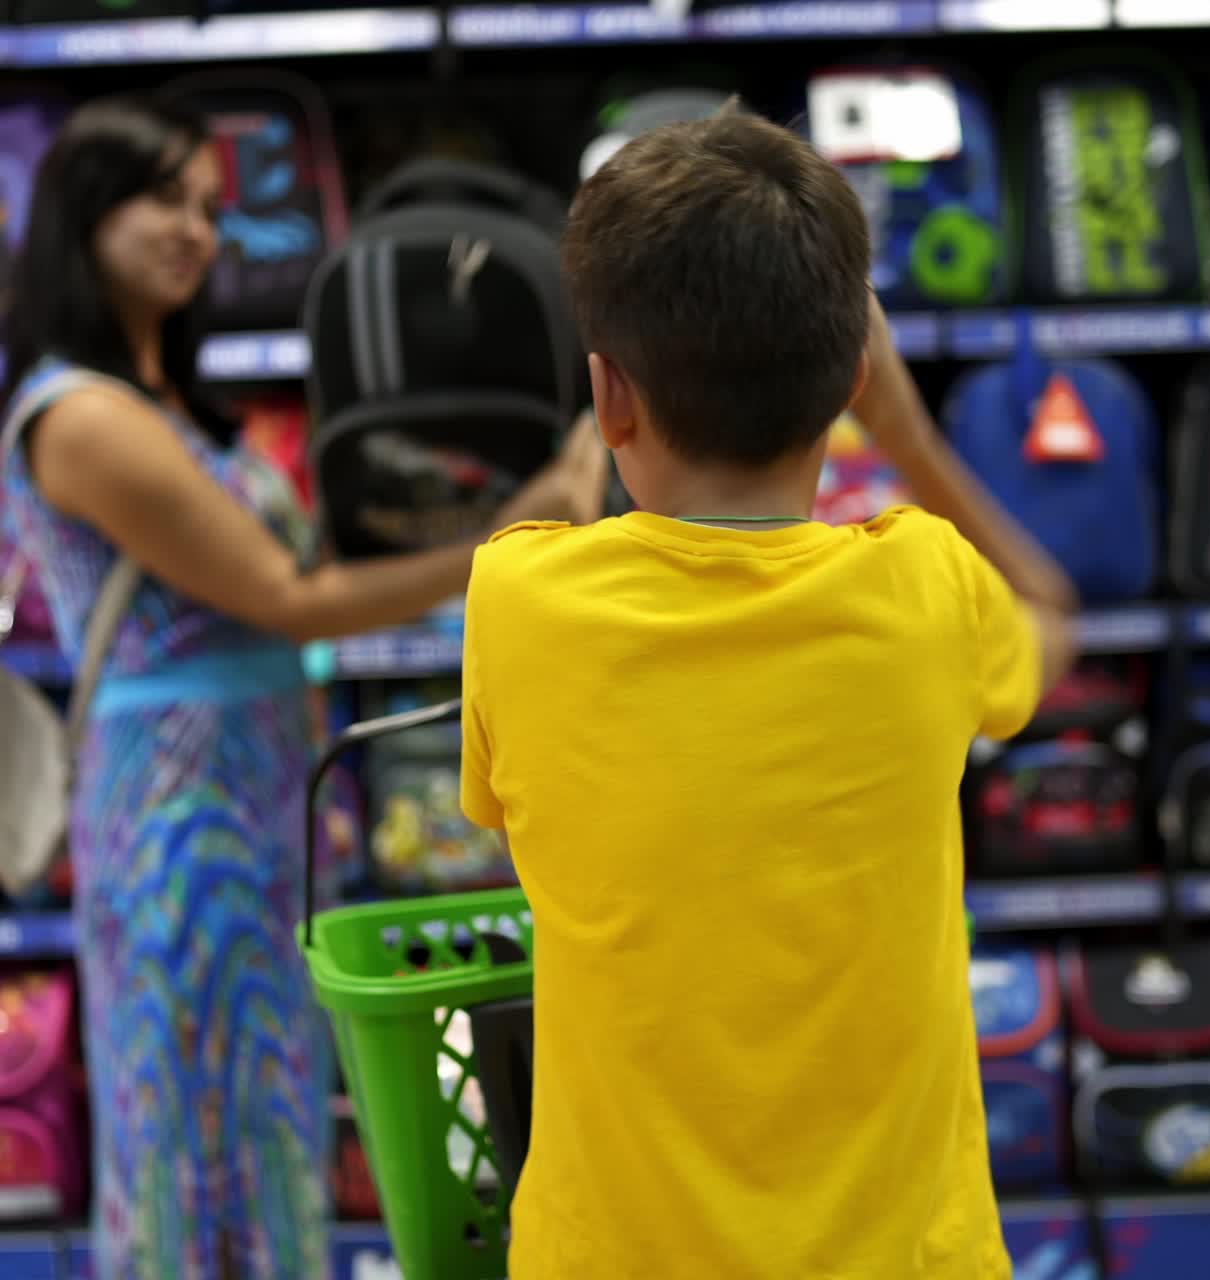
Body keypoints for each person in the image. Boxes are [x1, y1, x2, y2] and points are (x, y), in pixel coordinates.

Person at [459, 106, 1079, 1279]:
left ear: (610, 395)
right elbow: (1052, 611)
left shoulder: (519, 595)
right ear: (848, 374)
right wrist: (896, 424)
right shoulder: (924, 585)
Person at [0, 97, 605, 1280]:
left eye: (211, 208)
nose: (196, 229)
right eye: (163, 198)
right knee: (185, 1112)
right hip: (175, 812)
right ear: (83, 216)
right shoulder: (79, 417)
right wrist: (519, 521)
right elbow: (294, 598)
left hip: (252, 796)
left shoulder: (169, 405)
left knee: (262, 1096)